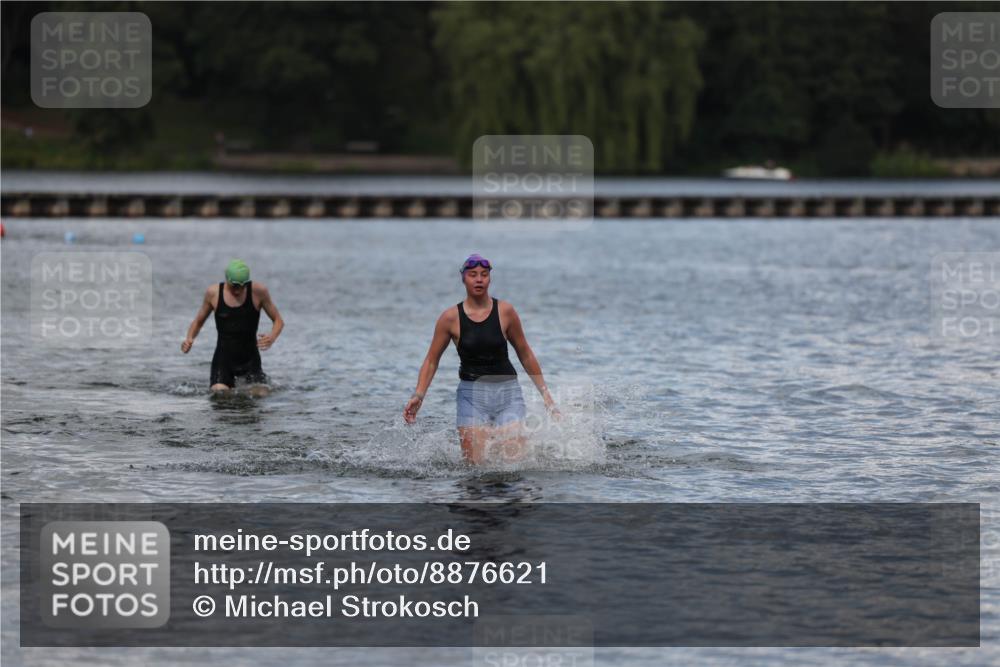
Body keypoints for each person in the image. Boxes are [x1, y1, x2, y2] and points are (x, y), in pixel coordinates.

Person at [403, 254, 558, 464]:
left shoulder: (506, 312)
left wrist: (546, 395)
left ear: (489, 279)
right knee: (476, 469)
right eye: (473, 275)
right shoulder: (450, 318)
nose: (479, 279)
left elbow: (525, 352)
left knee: (513, 466)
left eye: (484, 275)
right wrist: (419, 395)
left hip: (508, 394)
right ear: (463, 279)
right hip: (471, 397)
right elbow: (431, 360)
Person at [181, 259, 283, 396]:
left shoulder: (259, 292)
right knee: (220, 395)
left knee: (260, 395)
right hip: (223, 360)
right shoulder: (213, 293)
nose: (238, 290)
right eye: (234, 285)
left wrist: (272, 336)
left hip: (250, 359)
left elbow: (278, 320)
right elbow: (198, 321)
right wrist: (189, 338)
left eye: (243, 286)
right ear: (227, 279)